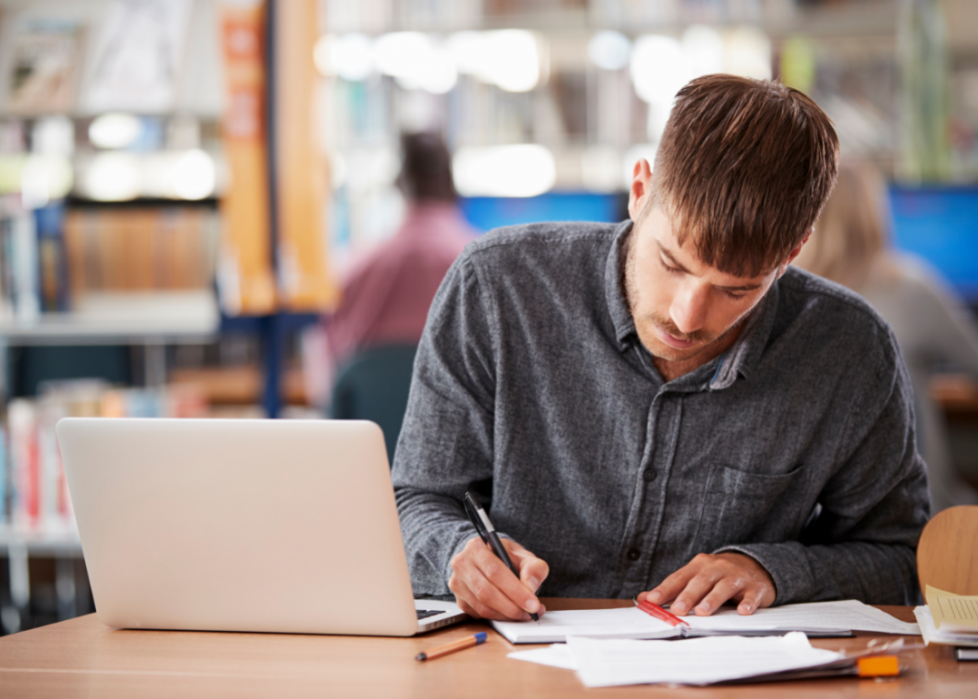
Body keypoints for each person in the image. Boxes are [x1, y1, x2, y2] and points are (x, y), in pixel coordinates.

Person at [392, 75, 930, 623]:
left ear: (792, 253)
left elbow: (897, 559)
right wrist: (457, 554)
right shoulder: (497, 287)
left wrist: (774, 571)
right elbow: (416, 500)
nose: (686, 316)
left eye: (736, 289)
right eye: (672, 264)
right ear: (640, 190)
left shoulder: (851, 349)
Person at [794, 161, 978, 514]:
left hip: (812, 523)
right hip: (916, 517)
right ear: (873, 214)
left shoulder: (779, 295)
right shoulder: (912, 288)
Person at [322, 131, 477, 376]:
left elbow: (330, 369)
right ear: (451, 183)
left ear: (399, 183)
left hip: (371, 413)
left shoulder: (353, 270)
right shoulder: (488, 270)